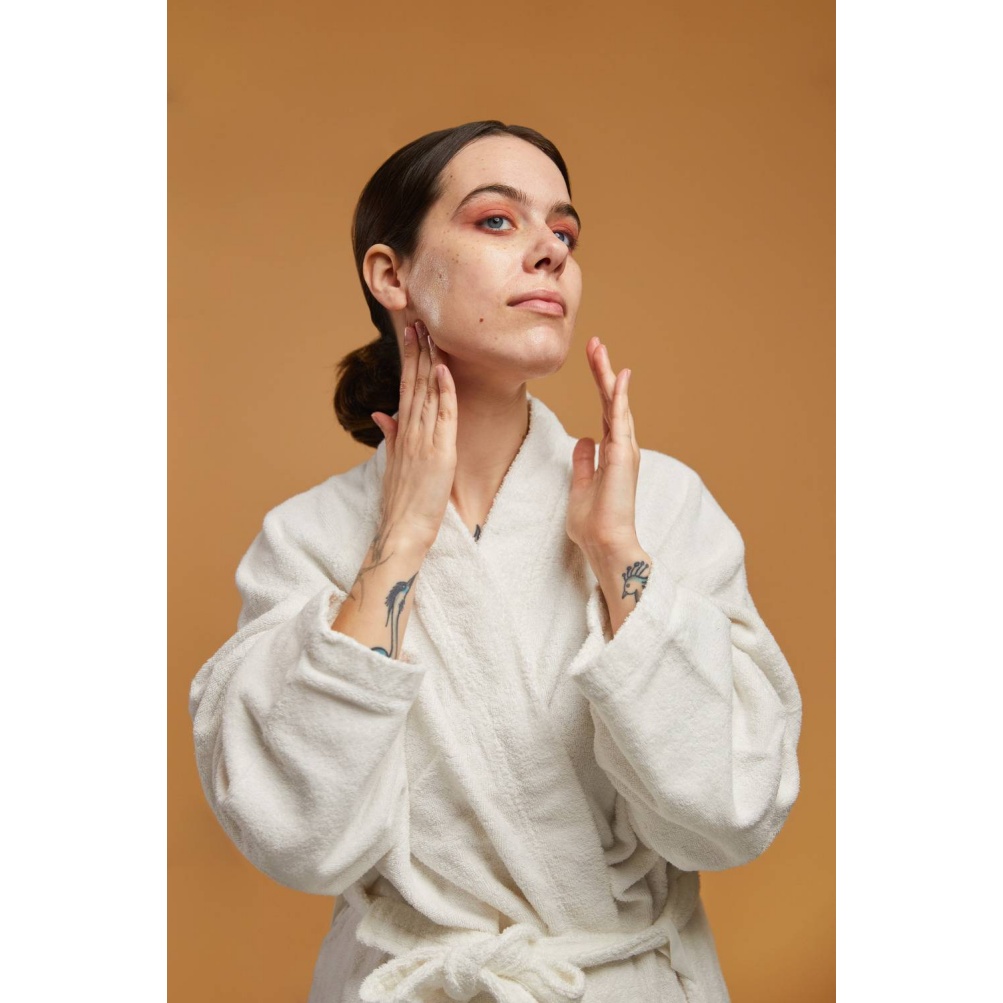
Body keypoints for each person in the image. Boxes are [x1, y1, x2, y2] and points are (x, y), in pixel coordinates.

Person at [189, 120, 803, 1003]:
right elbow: (296, 832)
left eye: (565, 231)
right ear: (391, 274)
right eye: (496, 221)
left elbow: (732, 811)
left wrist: (616, 554)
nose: (550, 251)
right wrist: (399, 541)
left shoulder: (658, 505)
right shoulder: (307, 538)